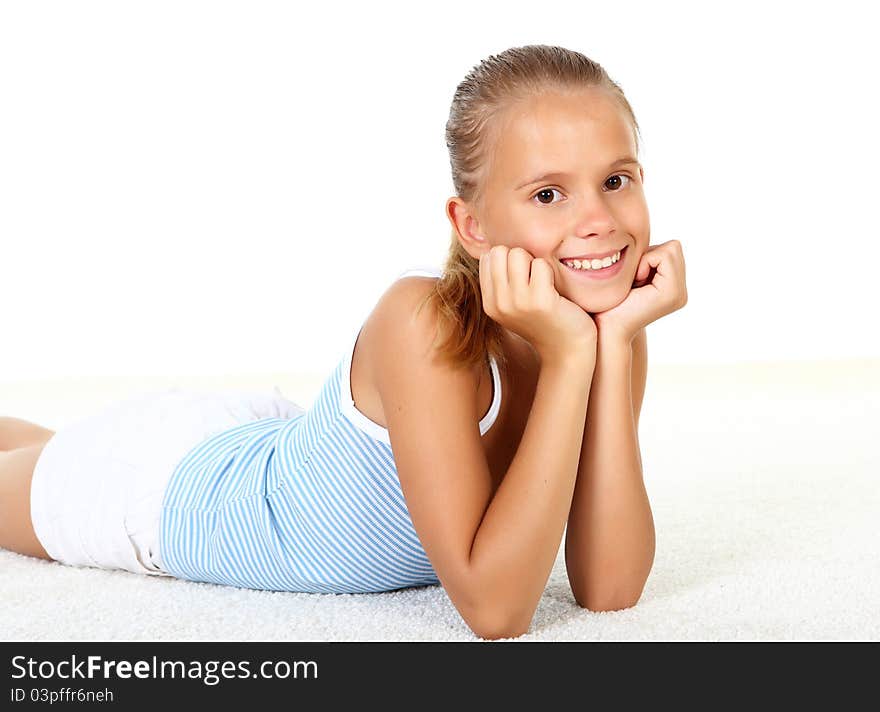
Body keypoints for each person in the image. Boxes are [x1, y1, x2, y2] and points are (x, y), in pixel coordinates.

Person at [0, 44, 687, 640]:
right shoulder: (425, 321)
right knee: (59, 459)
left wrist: (612, 342)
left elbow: (610, 590)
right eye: (547, 195)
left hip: (265, 450)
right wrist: (573, 358)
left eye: (615, 180)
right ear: (471, 226)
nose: (598, 219)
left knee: (49, 442)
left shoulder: (606, 331)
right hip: (169, 498)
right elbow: (496, 610)